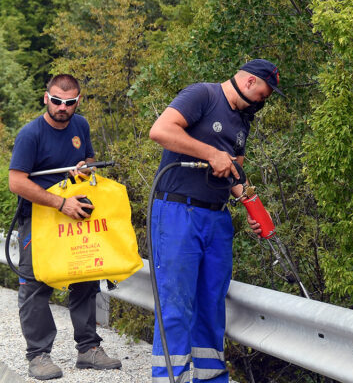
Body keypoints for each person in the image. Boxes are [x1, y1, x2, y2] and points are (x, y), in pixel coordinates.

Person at [147, 59, 282, 383]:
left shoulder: (242, 122)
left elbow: (235, 172)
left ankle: (210, 378)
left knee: (211, 303)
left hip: (216, 218)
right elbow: (160, 131)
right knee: (177, 303)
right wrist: (210, 153)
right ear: (250, 82)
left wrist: (252, 208)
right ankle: (170, 379)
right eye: (263, 94)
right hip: (178, 212)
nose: (263, 102)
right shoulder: (203, 96)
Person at [8, 73, 122, 380]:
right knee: (36, 286)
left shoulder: (80, 126)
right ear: (46, 98)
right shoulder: (31, 134)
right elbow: (16, 182)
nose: (62, 107)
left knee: (85, 279)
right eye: (57, 100)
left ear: (78, 101)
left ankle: (88, 349)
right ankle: (38, 355)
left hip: (75, 216)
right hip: (40, 218)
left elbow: (89, 161)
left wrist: (84, 170)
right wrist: (60, 203)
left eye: (69, 102)